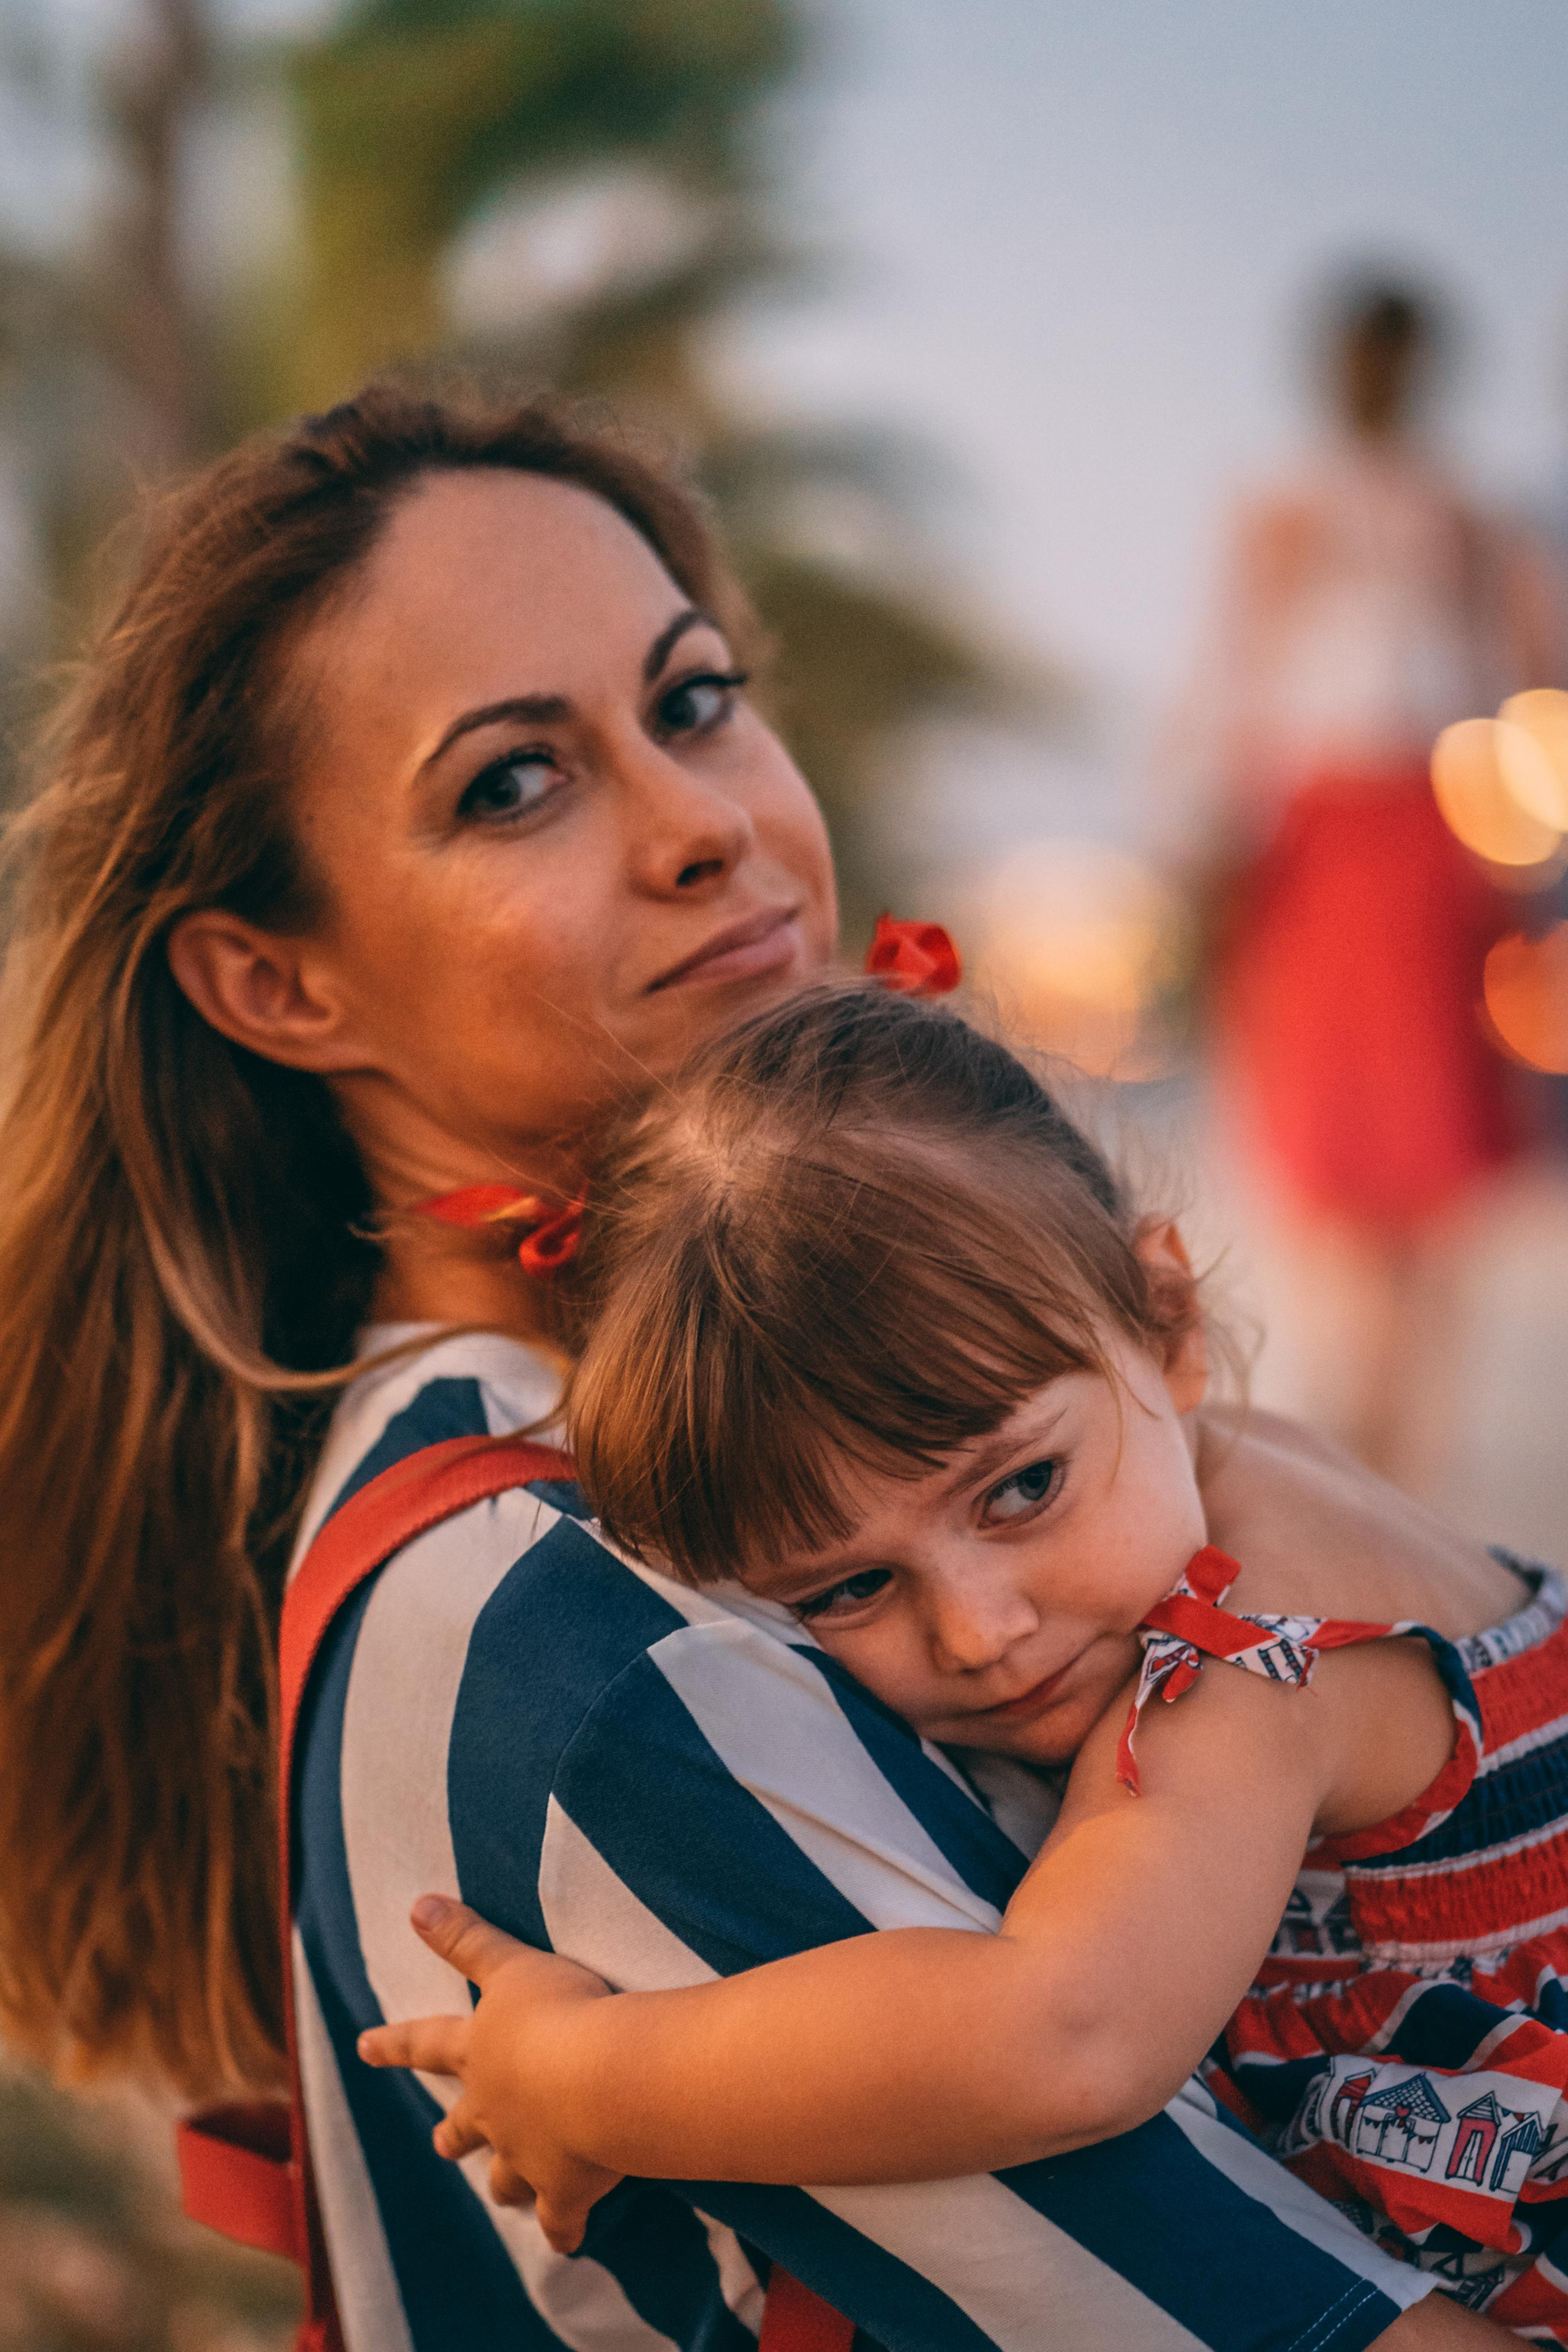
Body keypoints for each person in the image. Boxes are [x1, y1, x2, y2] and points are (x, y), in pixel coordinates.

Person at [0, 382, 1512, 2350]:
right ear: (279, 983)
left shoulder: (780, 1448)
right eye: (514, 785)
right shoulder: (580, 1607)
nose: (706, 825)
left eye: (693, 700)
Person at [361, 982, 1568, 2334]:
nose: (980, 1632)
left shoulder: (1247, 1666)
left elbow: (1060, 2037)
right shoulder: (1223, 1460)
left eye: (1019, 1491)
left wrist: (584, 2076)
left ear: (1165, 1320)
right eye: (852, 1586)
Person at [1174, 276, 1561, 1474]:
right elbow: (1233, 680)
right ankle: (1360, 1394)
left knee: (1438, 1126)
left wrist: (1525, 853)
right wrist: (1215, 841)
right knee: (1332, 1126)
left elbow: (1523, 675)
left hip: (1432, 819)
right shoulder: (1285, 506)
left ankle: (1411, 1426)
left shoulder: (1467, 518)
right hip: (1319, 828)